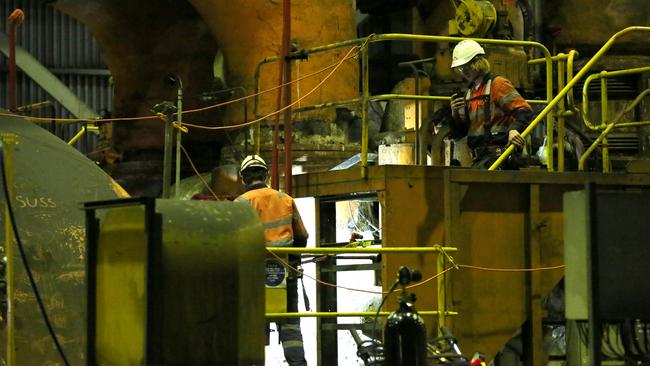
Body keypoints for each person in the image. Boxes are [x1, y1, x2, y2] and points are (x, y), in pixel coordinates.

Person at [235, 154, 308, 366]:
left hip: (253, 277)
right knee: (291, 324)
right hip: (285, 273)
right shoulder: (286, 199)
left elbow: (235, 241)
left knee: (252, 324)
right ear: (266, 174)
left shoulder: (241, 203)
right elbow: (302, 235)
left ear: (243, 178)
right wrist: (294, 260)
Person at [449, 40, 533, 169]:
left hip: (500, 158)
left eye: (467, 66)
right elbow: (461, 132)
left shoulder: (498, 84)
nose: (464, 71)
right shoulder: (470, 93)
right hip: (480, 159)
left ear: (478, 63)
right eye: (461, 68)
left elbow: (524, 110)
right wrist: (454, 112)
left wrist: (514, 130)